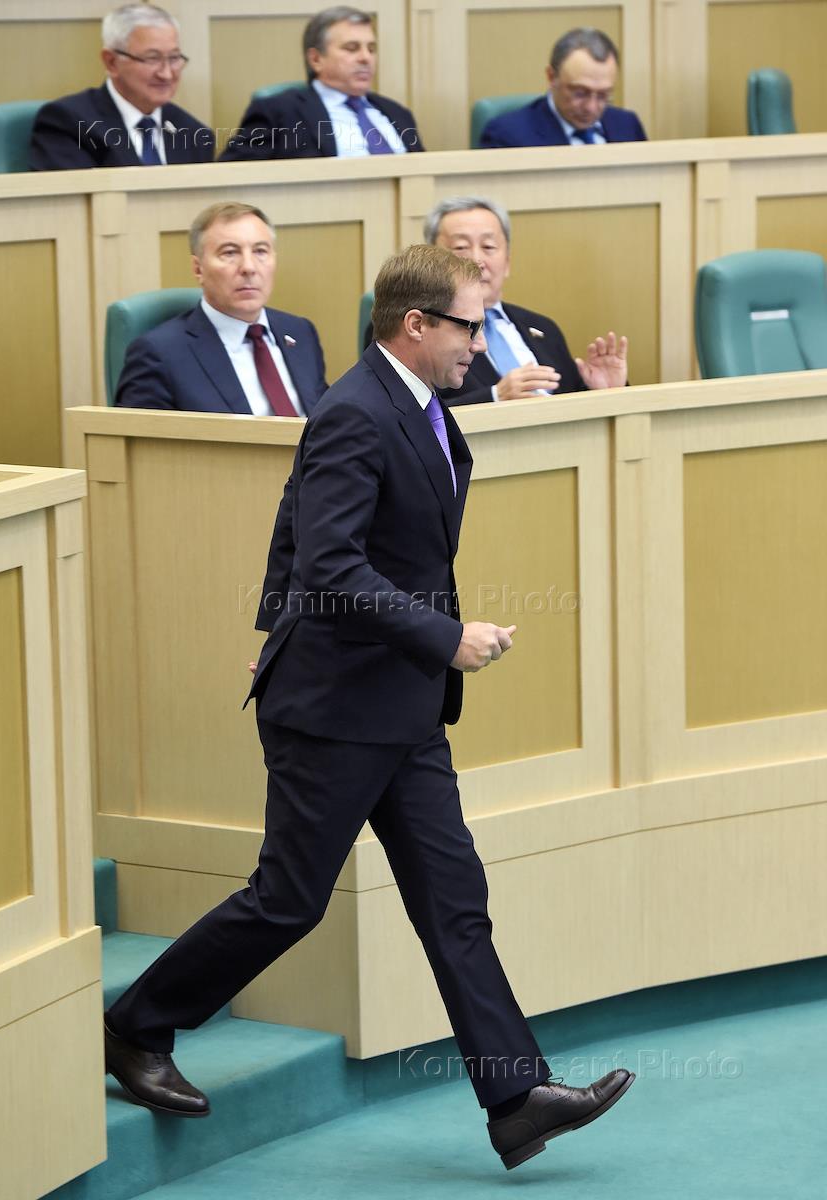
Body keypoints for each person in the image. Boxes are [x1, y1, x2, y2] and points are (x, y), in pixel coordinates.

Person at [104, 243, 635, 1170]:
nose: (482, 341)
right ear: (416, 324)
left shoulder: (419, 401)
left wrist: (313, 629)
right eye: (469, 325)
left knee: (453, 899)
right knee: (288, 900)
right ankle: (134, 1025)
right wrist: (444, 636)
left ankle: (516, 1098)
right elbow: (331, 565)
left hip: (403, 705)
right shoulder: (356, 411)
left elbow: (301, 536)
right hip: (335, 710)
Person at [115, 202, 327, 415]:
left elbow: (327, 421)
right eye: (230, 253)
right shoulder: (158, 355)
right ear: (198, 269)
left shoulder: (300, 332)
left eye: (260, 251)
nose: (249, 267)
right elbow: (141, 436)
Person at [424, 196, 628, 407]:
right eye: (460, 247)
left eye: (488, 246)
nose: (477, 261)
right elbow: (418, 414)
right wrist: (495, 397)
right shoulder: (425, 333)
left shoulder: (544, 328)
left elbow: (571, 405)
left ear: (507, 261)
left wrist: (604, 392)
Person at [221, 5, 423, 161]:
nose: (366, 58)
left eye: (371, 49)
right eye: (352, 48)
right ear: (316, 59)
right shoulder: (279, 112)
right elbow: (232, 176)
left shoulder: (398, 113)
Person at [29, 4, 213, 171]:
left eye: (174, 58)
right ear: (111, 62)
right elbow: (69, 196)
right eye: (152, 58)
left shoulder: (195, 134)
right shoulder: (68, 123)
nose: (166, 74)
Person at [479, 27, 646, 149]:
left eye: (603, 95)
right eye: (580, 93)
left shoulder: (628, 125)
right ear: (551, 77)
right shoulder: (506, 136)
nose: (591, 107)